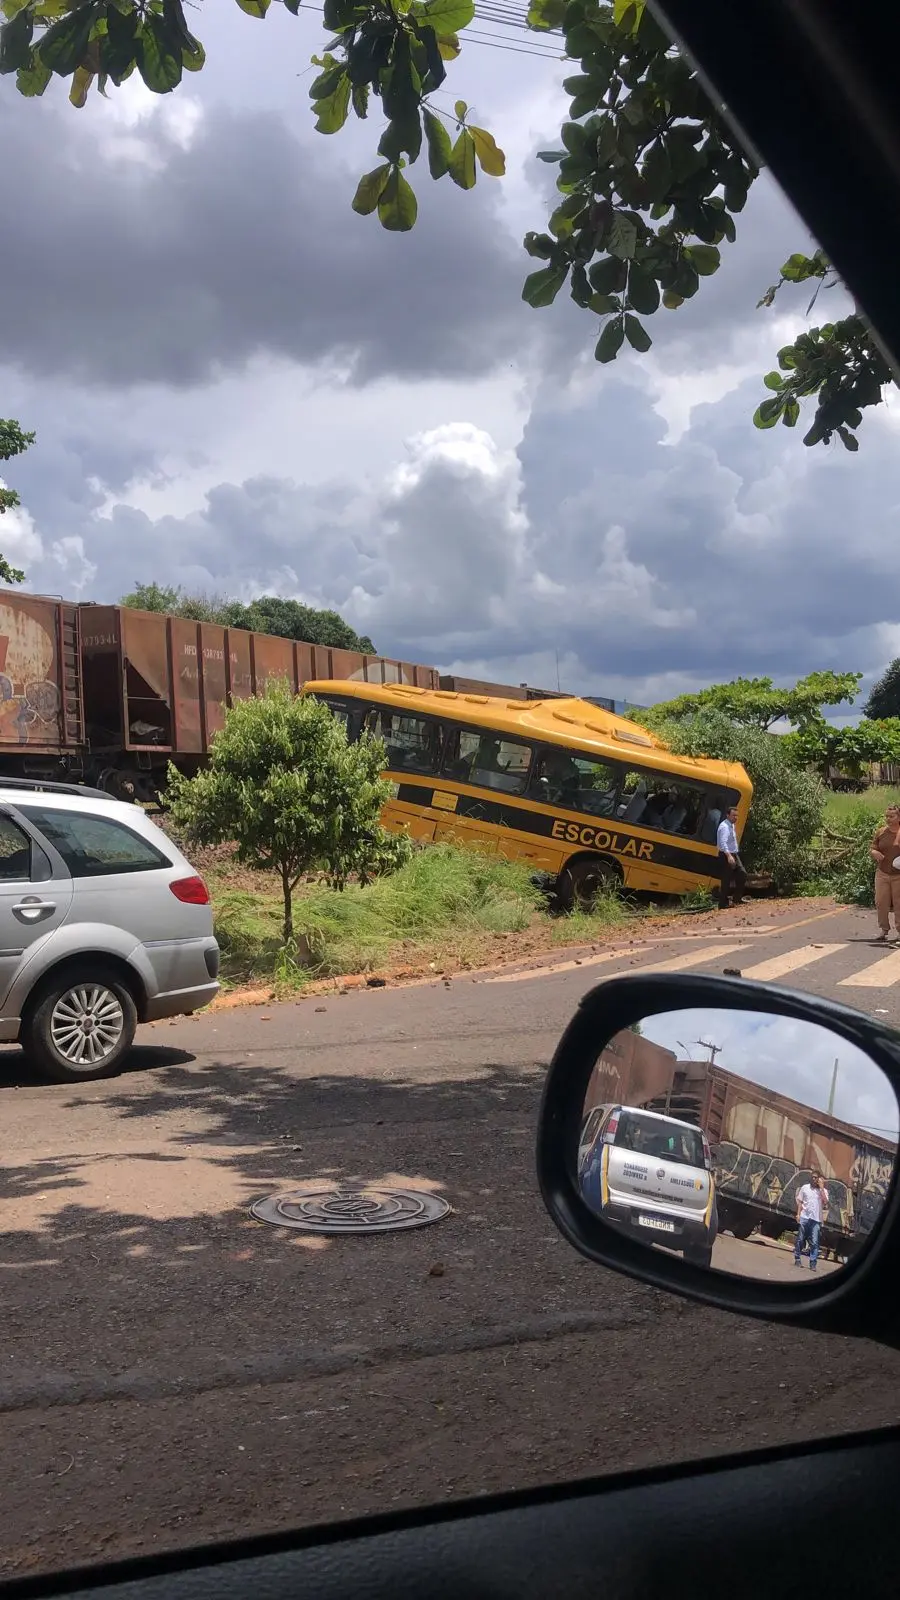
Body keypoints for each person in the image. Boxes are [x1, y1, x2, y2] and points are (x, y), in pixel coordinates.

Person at [869, 803, 900, 941]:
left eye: (892, 816)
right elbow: (873, 848)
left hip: (898, 875)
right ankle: (883, 930)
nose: (888, 819)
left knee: (899, 903)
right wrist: (875, 853)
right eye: (886, 816)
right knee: (881, 902)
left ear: (898, 817)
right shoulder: (881, 832)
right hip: (882, 872)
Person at [794, 1171, 828, 1271]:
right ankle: (797, 1258)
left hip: (816, 1219)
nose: (814, 1179)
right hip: (804, 1217)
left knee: (815, 1242)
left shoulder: (823, 1191)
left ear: (819, 1179)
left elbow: (825, 1202)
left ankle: (813, 1263)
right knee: (800, 1239)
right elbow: (800, 1202)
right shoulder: (805, 1187)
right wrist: (798, 1214)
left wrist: (821, 1188)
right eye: (812, 1177)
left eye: (816, 1178)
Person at [715, 805, 746, 910]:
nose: (735, 818)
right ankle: (722, 904)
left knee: (742, 874)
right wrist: (729, 856)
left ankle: (737, 898)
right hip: (726, 854)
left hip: (734, 854)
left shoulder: (731, 825)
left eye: (736, 816)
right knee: (726, 880)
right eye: (733, 815)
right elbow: (723, 843)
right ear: (727, 815)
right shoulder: (724, 827)